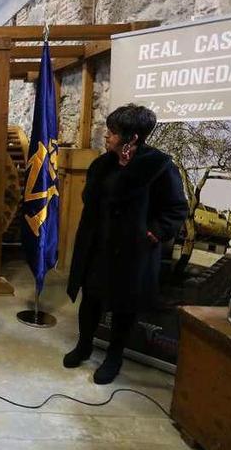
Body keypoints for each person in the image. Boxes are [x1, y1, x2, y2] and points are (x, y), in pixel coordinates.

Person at [65, 104, 188, 384]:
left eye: (113, 132)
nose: (106, 137)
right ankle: (84, 346)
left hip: (133, 253)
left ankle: (114, 357)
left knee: (123, 306)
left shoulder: (158, 167)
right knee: (91, 298)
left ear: (132, 138)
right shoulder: (103, 164)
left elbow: (176, 209)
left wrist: (153, 233)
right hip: (98, 246)